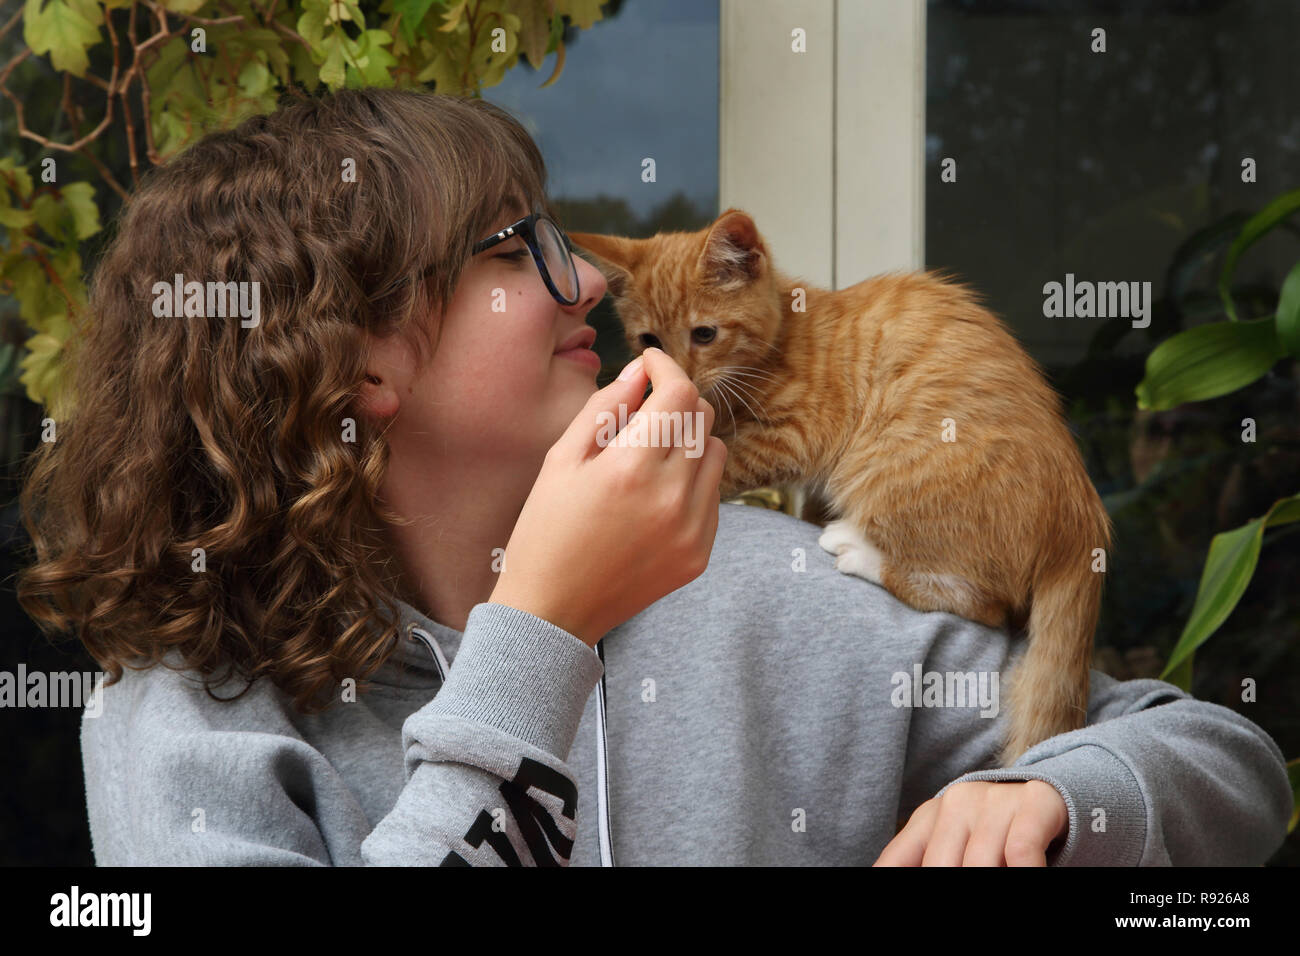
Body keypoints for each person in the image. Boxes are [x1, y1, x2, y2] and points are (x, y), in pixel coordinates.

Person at [18, 87, 1292, 866]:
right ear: (358, 365)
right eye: (515, 251)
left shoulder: (765, 582)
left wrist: (1049, 797)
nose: (586, 283)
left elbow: (1225, 767)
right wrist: (541, 639)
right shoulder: (186, 728)